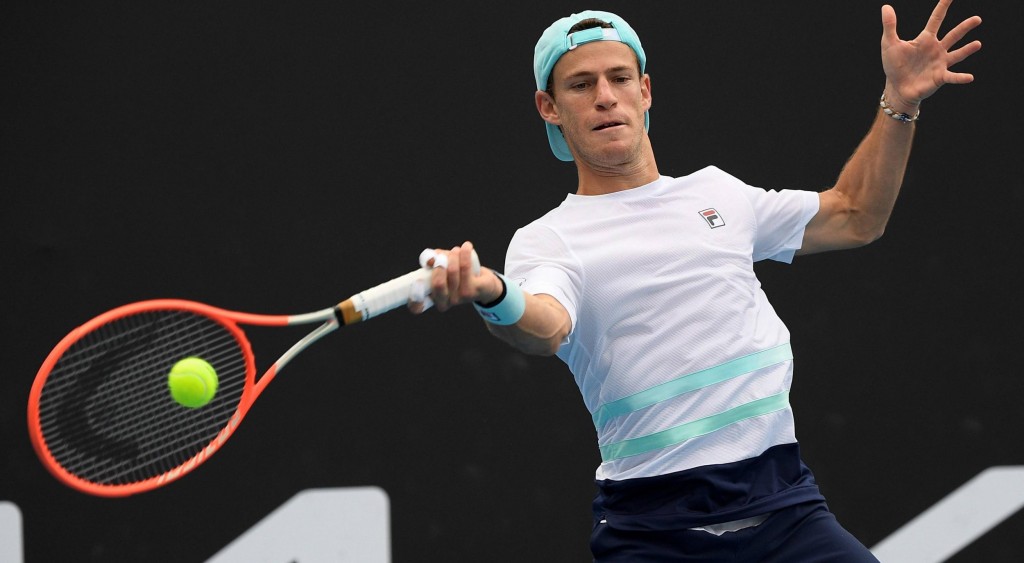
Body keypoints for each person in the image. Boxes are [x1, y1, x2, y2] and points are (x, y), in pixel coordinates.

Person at [412, 2, 982, 560]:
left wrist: (900, 100)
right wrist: (493, 293)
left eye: (619, 78)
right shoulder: (548, 240)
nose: (605, 96)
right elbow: (545, 327)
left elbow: (857, 215)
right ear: (549, 107)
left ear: (645, 91)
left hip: (786, 510)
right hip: (654, 533)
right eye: (581, 85)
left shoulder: (719, 194)